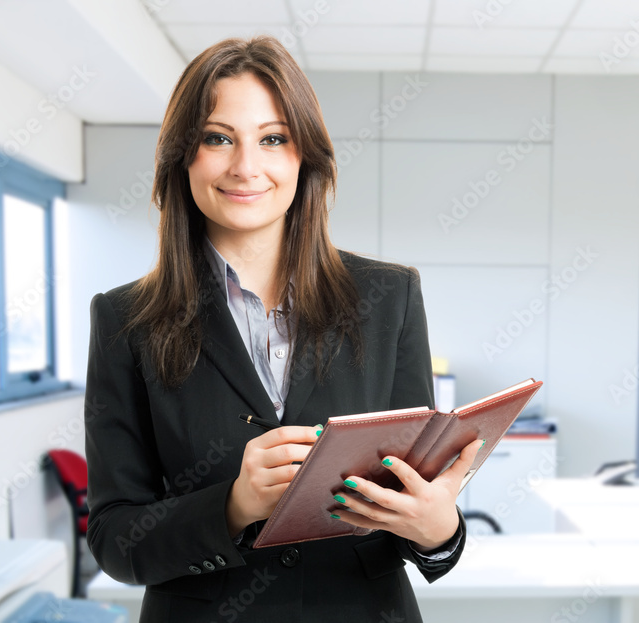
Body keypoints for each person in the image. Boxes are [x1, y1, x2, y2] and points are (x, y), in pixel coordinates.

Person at [83, 35, 482, 622]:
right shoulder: (125, 319)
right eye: (218, 138)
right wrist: (234, 505)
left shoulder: (388, 297)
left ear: (305, 158)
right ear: (182, 157)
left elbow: (407, 500)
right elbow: (116, 538)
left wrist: (438, 528)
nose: (246, 166)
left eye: (273, 139)